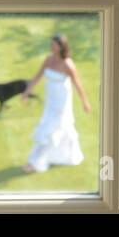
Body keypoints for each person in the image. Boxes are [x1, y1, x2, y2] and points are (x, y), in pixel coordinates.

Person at [21, 34, 90, 173]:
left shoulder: (68, 64)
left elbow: (78, 85)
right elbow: (37, 76)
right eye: (51, 44)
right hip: (50, 101)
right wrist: (27, 91)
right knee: (57, 128)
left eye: (54, 45)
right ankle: (66, 155)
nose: (52, 47)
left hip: (61, 103)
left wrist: (85, 102)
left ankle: (35, 162)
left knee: (50, 129)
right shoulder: (48, 59)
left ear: (61, 46)